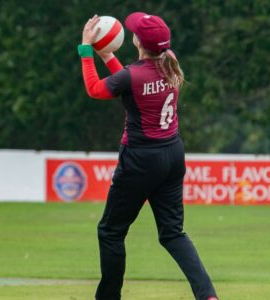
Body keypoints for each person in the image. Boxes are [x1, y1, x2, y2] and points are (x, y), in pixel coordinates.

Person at [78, 12, 218, 300]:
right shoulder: (171, 62)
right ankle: (208, 296)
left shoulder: (133, 75)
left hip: (141, 160)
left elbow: (96, 89)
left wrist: (85, 49)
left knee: (111, 232)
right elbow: (130, 81)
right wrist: (107, 56)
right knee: (173, 233)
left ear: (138, 41)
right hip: (172, 154)